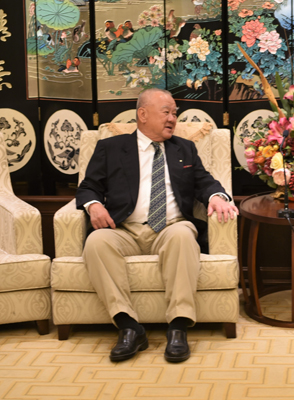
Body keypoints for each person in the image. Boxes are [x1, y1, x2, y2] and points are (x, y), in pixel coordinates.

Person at [76, 88, 239, 363]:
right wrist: (94, 206)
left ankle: (178, 327)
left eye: (175, 113)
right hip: (124, 229)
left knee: (182, 236)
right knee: (96, 242)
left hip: (170, 227)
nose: (173, 118)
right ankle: (129, 326)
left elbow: (204, 182)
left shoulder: (184, 148)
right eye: (166, 112)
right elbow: (88, 187)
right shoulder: (111, 148)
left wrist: (217, 197)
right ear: (143, 114)